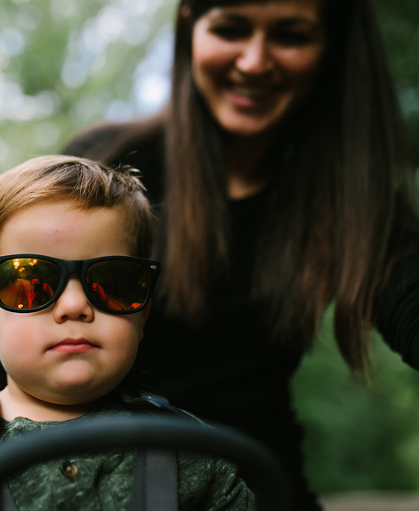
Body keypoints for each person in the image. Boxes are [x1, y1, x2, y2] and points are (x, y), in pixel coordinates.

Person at [56, 0, 419, 510]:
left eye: (291, 35)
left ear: (330, 47)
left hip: (261, 492)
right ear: (189, 26)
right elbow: (26, 337)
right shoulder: (106, 165)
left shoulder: (351, 194)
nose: (253, 61)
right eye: (230, 29)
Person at [0, 155, 255, 510]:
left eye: (112, 282)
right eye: (29, 283)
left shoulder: (194, 455)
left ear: (142, 316)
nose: (74, 306)